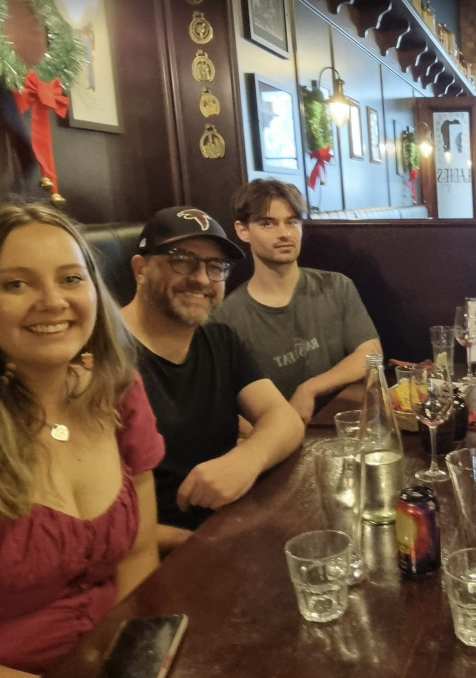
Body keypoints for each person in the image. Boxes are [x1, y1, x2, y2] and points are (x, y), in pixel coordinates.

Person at [0, 203, 163, 675]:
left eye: (71, 278)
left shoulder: (120, 393)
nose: (52, 301)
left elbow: (138, 555)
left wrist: (133, 659)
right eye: (15, 283)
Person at [121, 206, 303, 553]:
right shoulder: (100, 359)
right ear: (141, 269)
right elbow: (87, 517)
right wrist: (193, 543)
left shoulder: (219, 340)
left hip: (228, 527)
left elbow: (284, 419)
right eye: (182, 260)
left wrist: (247, 459)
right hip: (151, 558)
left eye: (215, 266)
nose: (203, 279)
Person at [209, 179, 380, 422]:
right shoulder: (225, 320)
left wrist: (310, 388)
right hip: (279, 440)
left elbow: (371, 354)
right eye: (268, 223)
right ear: (242, 230)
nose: (284, 233)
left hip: (343, 425)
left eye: (292, 221)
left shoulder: (336, 286)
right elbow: (227, 407)